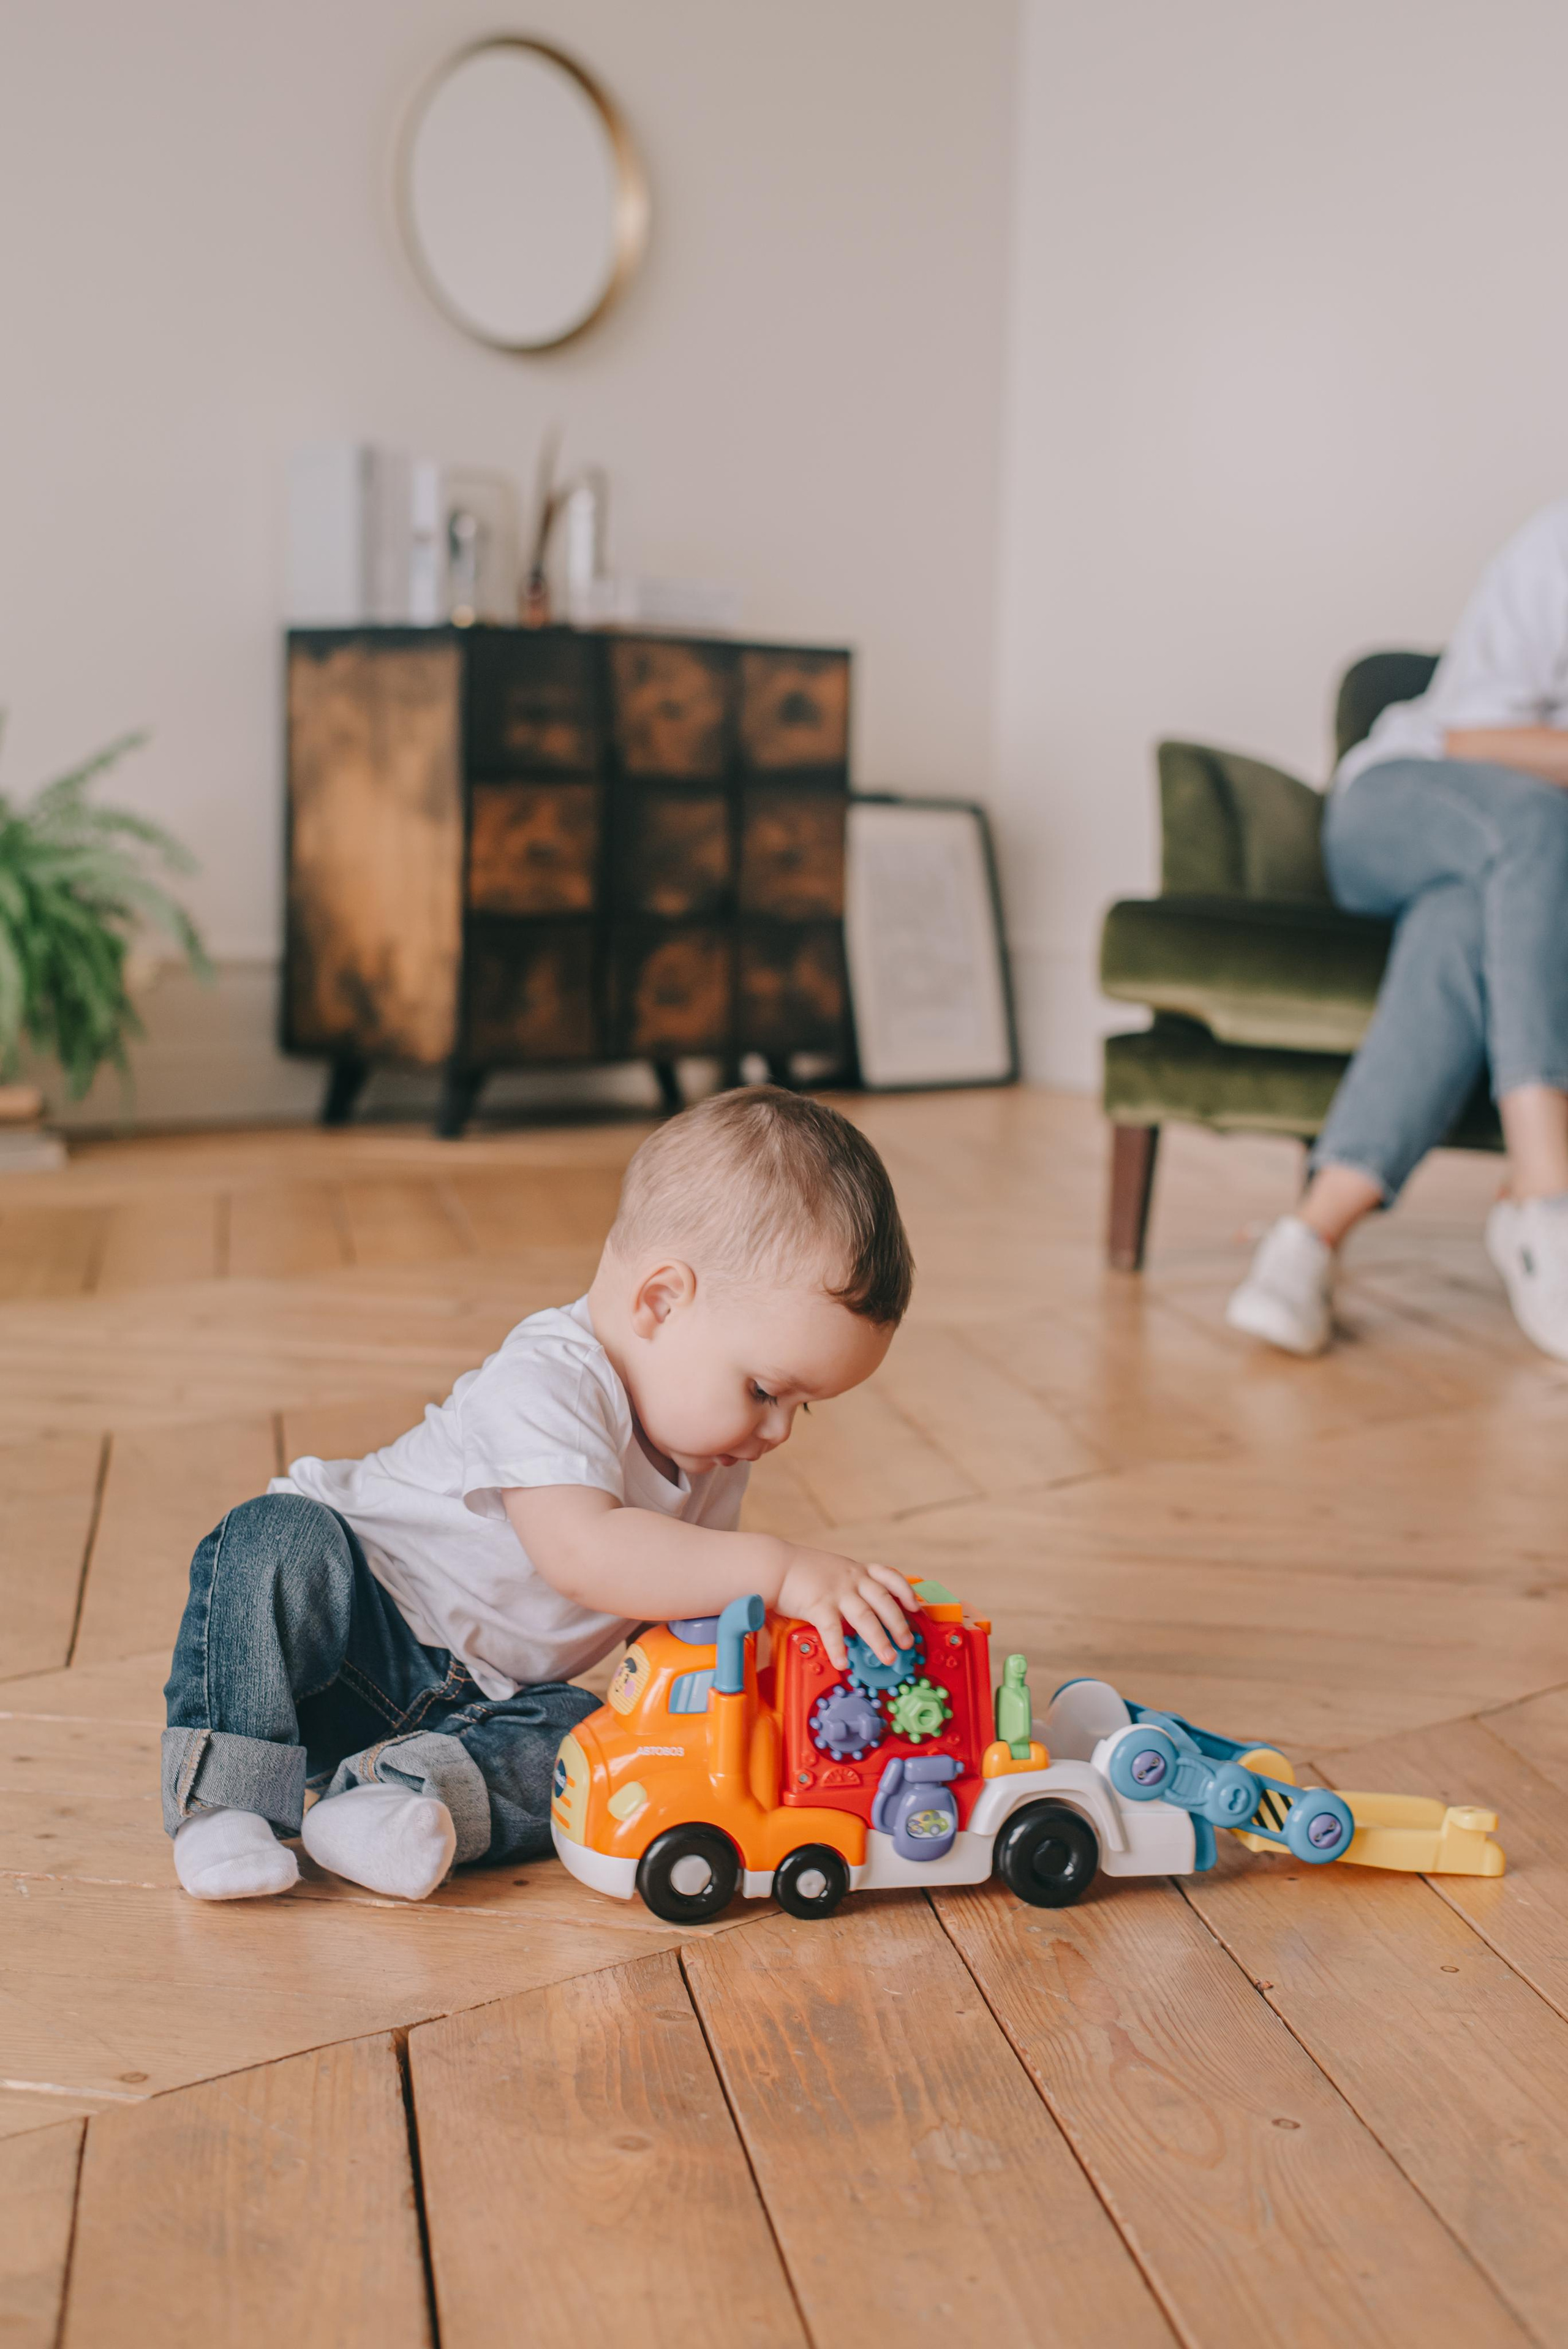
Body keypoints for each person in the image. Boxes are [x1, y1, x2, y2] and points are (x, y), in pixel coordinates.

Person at [162, 1088, 917, 1902]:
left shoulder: (716, 1452)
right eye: (768, 1389)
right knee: (271, 1539)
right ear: (661, 1302)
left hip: (482, 1706)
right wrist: (780, 1569)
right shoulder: (549, 1377)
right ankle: (225, 1805)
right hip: (347, 1631)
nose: (781, 1431)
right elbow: (584, 1554)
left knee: (592, 1738)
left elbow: (683, 1615)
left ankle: (388, 1800)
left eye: (805, 1405)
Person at [1227, 496, 1568, 1361]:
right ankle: (1545, 1187)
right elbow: (1469, 735)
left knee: (1459, 929)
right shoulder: (1555, 548)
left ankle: (1310, 1235)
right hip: (1401, 799)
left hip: (1502, 874)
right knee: (1534, 829)